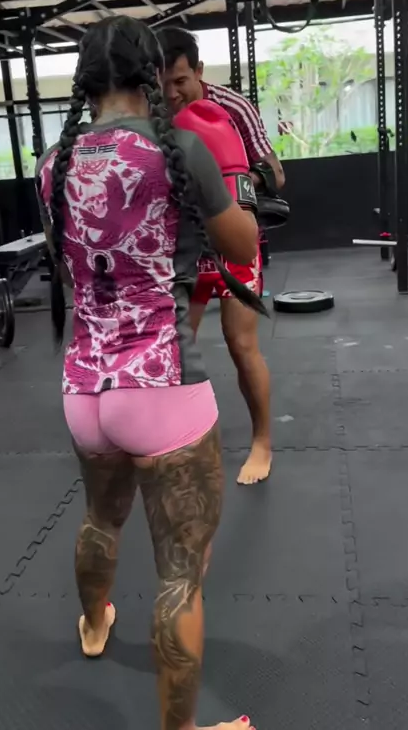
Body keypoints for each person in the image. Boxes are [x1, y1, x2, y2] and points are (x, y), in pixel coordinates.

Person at [35, 15, 263, 730]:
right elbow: (242, 244)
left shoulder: (52, 162)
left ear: (85, 81)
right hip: (162, 388)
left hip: (84, 389)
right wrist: (229, 203)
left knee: (100, 519)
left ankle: (94, 622)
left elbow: (70, 267)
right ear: (152, 73)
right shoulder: (181, 148)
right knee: (180, 573)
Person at [157, 26, 285, 486]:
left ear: (199, 71)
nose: (171, 94)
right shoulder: (150, 112)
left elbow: (276, 173)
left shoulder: (232, 107)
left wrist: (233, 177)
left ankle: (262, 442)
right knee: (175, 351)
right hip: (181, 246)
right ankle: (176, 442)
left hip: (232, 239)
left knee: (241, 343)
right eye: (162, 84)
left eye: (180, 81)